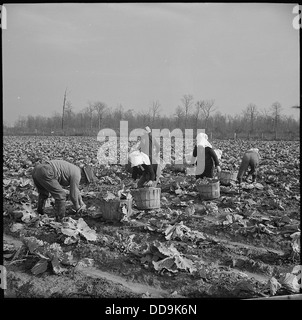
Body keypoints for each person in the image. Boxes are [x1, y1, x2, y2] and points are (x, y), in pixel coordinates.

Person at [32, 159, 96, 221]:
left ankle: (40, 212)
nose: (82, 183)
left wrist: (81, 202)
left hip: (37, 169)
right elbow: (73, 195)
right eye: (85, 181)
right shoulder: (77, 175)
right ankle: (60, 218)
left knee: (44, 193)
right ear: (84, 176)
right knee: (61, 195)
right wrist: (77, 207)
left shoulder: (75, 170)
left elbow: (76, 190)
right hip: (47, 171)